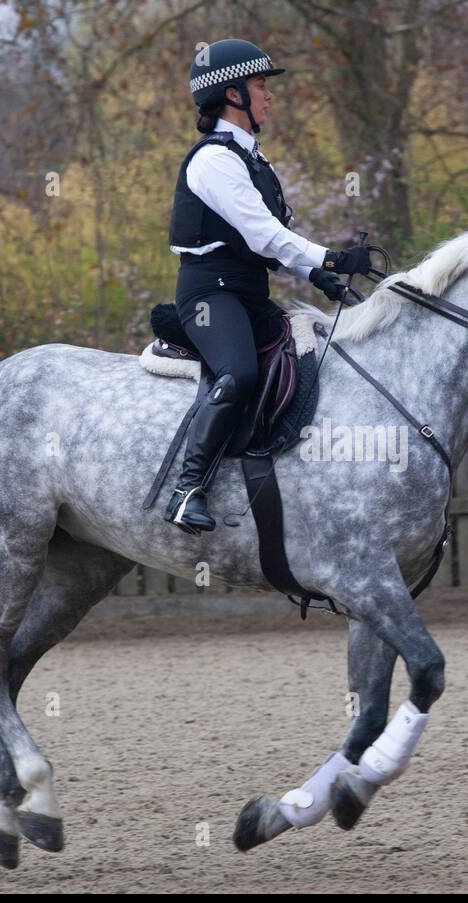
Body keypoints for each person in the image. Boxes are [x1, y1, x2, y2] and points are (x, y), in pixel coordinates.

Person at [164, 38, 372, 534]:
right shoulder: (214, 160)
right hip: (210, 296)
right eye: (260, 86)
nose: (269, 95)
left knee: (312, 361)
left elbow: (270, 244)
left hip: (250, 293)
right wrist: (334, 258)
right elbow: (264, 234)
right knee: (238, 373)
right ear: (232, 94)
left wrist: (317, 276)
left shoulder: (255, 160)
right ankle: (188, 487)